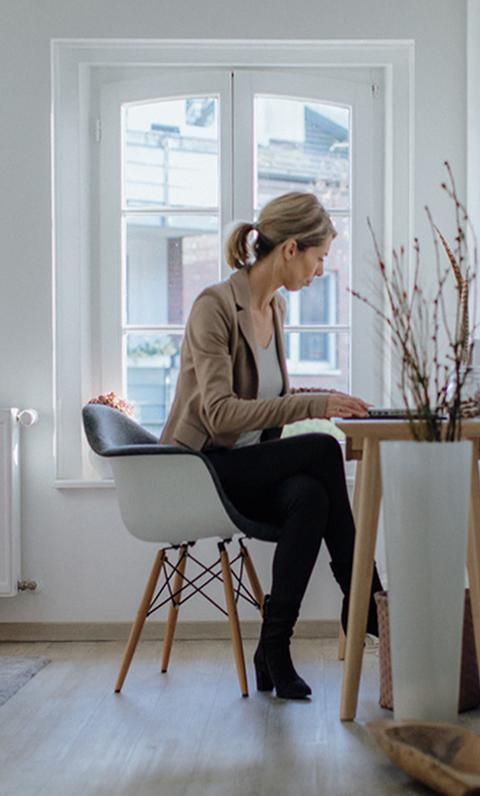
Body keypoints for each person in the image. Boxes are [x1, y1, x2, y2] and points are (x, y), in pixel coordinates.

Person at [160, 192, 383, 700]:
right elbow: (219, 414)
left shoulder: (274, 306)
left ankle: (273, 649)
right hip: (200, 470)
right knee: (323, 452)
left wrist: (316, 400)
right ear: (289, 250)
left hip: (244, 468)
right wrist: (313, 405)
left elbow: (266, 399)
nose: (321, 270)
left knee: (311, 493)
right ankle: (367, 600)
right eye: (319, 256)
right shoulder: (214, 307)